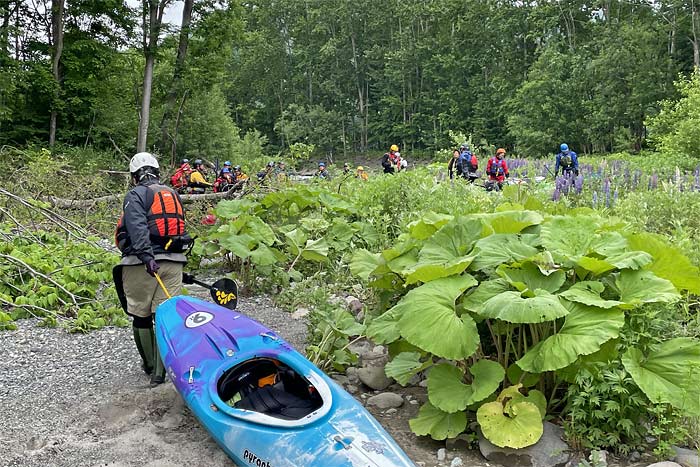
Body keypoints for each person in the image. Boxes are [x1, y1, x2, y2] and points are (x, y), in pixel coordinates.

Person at [113, 152, 191, 387]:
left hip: (143, 264)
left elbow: (136, 228)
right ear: (157, 172)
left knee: (141, 315)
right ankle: (163, 371)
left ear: (134, 176)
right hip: (174, 261)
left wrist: (147, 257)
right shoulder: (172, 193)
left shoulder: (135, 194)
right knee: (164, 316)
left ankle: (151, 369)